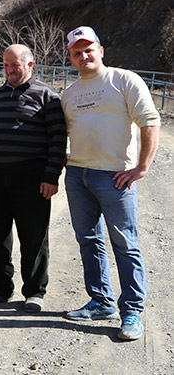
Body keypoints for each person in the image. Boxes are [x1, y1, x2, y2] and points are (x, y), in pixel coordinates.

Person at [61, 26, 160, 341]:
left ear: (100, 51)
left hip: (115, 175)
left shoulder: (124, 80)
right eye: (77, 52)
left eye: (89, 49)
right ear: (71, 58)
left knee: (124, 243)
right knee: (88, 239)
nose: (84, 56)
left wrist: (142, 167)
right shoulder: (69, 93)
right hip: (78, 175)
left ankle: (131, 310)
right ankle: (101, 301)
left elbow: (150, 121)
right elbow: (60, 132)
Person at [0, 44, 66, 313]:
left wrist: (51, 176)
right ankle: (0, 288)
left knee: (34, 238)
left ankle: (35, 291)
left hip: (32, 178)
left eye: (15, 64)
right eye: (6, 64)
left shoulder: (48, 97)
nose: (10, 69)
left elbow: (58, 140)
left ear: (30, 66)